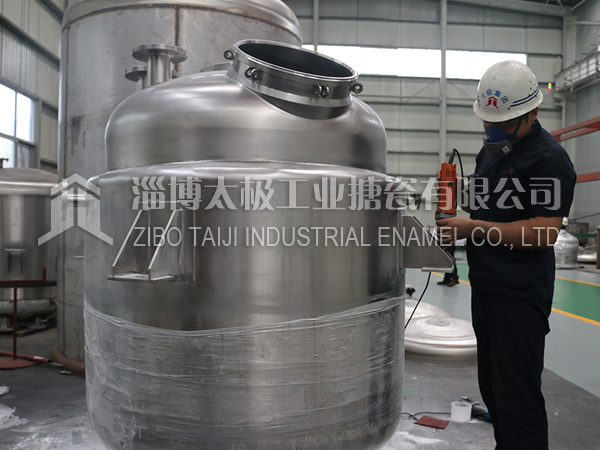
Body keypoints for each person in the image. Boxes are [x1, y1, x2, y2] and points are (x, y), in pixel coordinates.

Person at [436, 61, 576, 450]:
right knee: (495, 391)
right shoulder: (491, 152)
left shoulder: (549, 159)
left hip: (519, 295)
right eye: (488, 122)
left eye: (504, 124)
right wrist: (455, 193)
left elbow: (544, 231)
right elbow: (487, 202)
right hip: (487, 288)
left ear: (533, 113)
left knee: (517, 398)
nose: (493, 130)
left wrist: (471, 228)